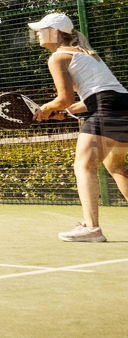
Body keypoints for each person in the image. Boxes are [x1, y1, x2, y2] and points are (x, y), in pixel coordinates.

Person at [29, 13, 128, 242]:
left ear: (55, 32)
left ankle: (92, 228)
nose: (37, 33)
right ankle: (91, 226)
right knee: (116, 167)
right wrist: (68, 111)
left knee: (84, 166)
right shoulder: (86, 54)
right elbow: (96, 95)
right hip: (124, 105)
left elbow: (64, 98)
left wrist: (45, 109)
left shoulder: (58, 57)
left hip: (107, 109)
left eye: (42, 29)